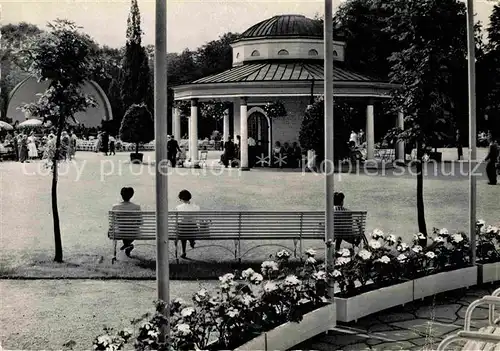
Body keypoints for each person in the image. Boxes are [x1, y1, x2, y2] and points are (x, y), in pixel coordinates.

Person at [111, 187, 142, 257]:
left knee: (123, 229)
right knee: (131, 230)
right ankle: (127, 245)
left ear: (121, 194)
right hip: (133, 233)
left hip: (120, 232)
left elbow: (113, 223)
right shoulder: (136, 207)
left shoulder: (115, 207)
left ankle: (127, 245)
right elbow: (140, 223)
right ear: (132, 195)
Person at [175, 189, 200, 259]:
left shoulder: (178, 207)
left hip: (182, 231)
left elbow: (177, 220)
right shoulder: (196, 207)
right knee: (190, 227)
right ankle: (191, 240)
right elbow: (197, 218)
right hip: (193, 230)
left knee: (183, 229)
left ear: (181, 198)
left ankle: (183, 251)